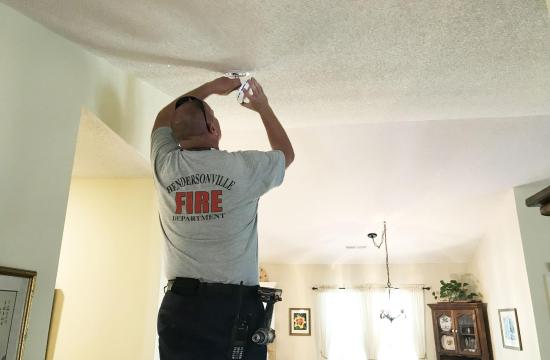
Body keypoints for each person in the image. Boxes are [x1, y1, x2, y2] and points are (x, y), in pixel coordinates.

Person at [150, 76, 294, 360]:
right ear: (214, 128)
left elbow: (160, 119)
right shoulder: (240, 168)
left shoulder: (165, 166)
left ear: (177, 136)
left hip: (180, 306)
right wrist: (262, 107)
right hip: (233, 308)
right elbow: (285, 155)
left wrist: (210, 89)